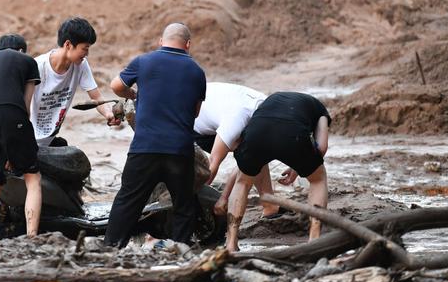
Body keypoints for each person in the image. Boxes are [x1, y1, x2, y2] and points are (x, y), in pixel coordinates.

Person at [104, 23, 206, 248]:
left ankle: (111, 247)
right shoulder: (197, 72)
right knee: (183, 204)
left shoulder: (144, 61)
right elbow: (196, 112)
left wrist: (133, 94)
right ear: (188, 45)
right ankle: (180, 250)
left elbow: (115, 86)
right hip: (180, 149)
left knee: (128, 199)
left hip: (145, 147)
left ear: (161, 41)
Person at [225, 92, 331, 251]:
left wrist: (297, 165)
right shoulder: (321, 111)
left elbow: (267, 131)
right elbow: (321, 147)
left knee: (243, 182)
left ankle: (231, 243)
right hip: (292, 135)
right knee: (318, 179)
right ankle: (313, 240)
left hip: (257, 133)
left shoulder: (271, 100)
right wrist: (302, 164)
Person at [0, 34, 42, 235]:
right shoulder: (27, 61)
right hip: (13, 113)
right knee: (32, 178)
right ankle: (32, 237)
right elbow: (26, 108)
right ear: (21, 50)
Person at [194, 82, 281, 218]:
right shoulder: (235, 121)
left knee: (255, 154)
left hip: (214, 102)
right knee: (248, 155)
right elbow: (213, 163)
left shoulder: (267, 106)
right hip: (196, 126)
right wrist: (197, 196)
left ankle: (270, 206)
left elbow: (253, 157)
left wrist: (224, 196)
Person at [30, 17, 119, 147]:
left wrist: (108, 114)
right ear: (68, 45)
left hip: (49, 139)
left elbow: (96, 97)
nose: (87, 54)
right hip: (28, 140)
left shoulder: (81, 65)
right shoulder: (37, 66)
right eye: (85, 48)